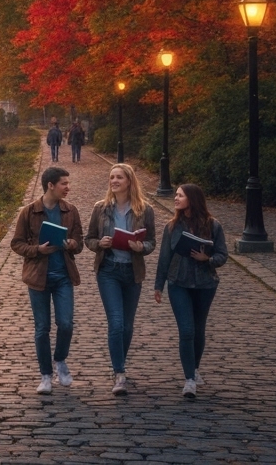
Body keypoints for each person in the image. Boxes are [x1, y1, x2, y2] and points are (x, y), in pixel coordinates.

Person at [84, 162, 156, 395]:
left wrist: (140, 246)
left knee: (126, 326)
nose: (114, 181)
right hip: (109, 270)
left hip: (132, 272)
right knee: (116, 322)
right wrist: (100, 244)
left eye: (119, 178)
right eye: (112, 177)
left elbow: (151, 242)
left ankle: (119, 365)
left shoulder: (145, 210)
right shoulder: (101, 208)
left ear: (129, 182)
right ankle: (119, 372)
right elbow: (90, 239)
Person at [10, 166, 83, 394]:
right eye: (64, 184)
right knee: (42, 328)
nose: (67, 188)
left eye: (68, 184)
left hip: (63, 277)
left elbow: (79, 242)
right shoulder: (29, 212)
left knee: (66, 324)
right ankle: (45, 375)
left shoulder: (71, 211)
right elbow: (17, 243)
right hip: (38, 278)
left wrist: (72, 245)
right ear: (50, 185)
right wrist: (37, 250)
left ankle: (60, 360)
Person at [154, 184, 228, 399]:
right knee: (186, 330)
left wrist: (209, 259)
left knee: (198, 329)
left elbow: (223, 255)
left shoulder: (213, 226)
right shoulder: (171, 226)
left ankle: (194, 368)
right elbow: (164, 258)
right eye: (175, 195)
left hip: (205, 284)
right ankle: (189, 380)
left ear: (192, 199)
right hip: (178, 282)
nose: (175, 199)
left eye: (180, 195)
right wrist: (159, 285)